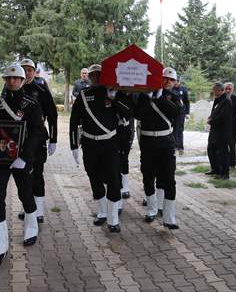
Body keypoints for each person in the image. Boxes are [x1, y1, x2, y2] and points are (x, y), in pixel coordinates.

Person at [0, 63, 48, 268]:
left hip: (21, 160)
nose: (11, 81)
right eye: (8, 79)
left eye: (15, 78)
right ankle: (0, 244)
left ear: (21, 81)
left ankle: (31, 227)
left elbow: (38, 132)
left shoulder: (31, 104)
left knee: (26, 194)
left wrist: (26, 157)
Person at [70, 64, 132, 233]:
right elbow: (73, 121)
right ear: (89, 77)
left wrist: (115, 99)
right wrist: (73, 145)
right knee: (94, 178)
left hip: (110, 143)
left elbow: (128, 113)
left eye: (99, 75)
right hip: (90, 144)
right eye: (93, 75)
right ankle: (102, 212)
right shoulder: (83, 95)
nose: (96, 77)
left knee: (113, 179)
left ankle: (113, 219)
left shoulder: (113, 92)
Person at [135, 67, 183, 229]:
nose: (167, 81)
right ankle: (151, 209)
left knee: (168, 179)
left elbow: (176, 111)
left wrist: (159, 96)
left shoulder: (175, 96)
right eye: (164, 78)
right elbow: (138, 115)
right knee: (148, 177)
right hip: (148, 142)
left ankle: (169, 218)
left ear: (175, 82)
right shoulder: (144, 95)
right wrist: (148, 96)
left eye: (170, 79)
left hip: (165, 142)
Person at [17, 58, 58, 225]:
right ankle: (27, 206)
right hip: (19, 138)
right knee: (23, 175)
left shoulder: (41, 88)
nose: (27, 73)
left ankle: (39, 211)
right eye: (23, 69)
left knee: (37, 173)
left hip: (38, 138)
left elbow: (53, 114)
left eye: (29, 70)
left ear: (34, 71)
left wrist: (53, 139)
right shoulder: (11, 86)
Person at [206, 82, 232, 179]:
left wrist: (211, 121)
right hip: (214, 130)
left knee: (223, 153)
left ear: (221, 90)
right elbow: (214, 112)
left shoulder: (226, 101)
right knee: (211, 150)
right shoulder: (217, 100)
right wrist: (210, 117)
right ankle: (215, 169)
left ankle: (225, 173)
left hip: (222, 131)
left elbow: (223, 116)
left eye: (215, 89)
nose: (213, 91)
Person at [224, 82, 236, 168]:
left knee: (232, 145)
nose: (227, 90)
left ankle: (232, 163)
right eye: (226, 89)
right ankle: (225, 162)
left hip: (233, 126)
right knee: (223, 145)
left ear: (232, 90)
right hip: (223, 127)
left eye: (229, 89)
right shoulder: (221, 97)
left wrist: (230, 120)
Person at [171, 78, 190, 155]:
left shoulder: (183, 90)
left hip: (181, 113)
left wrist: (187, 113)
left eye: (178, 81)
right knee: (173, 130)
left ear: (180, 82)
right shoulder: (170, 89)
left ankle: (180, 147)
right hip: (172, 113)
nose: (176, 82)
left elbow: (186, 102)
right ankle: (174, 146)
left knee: (180, 130)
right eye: (175, 81)